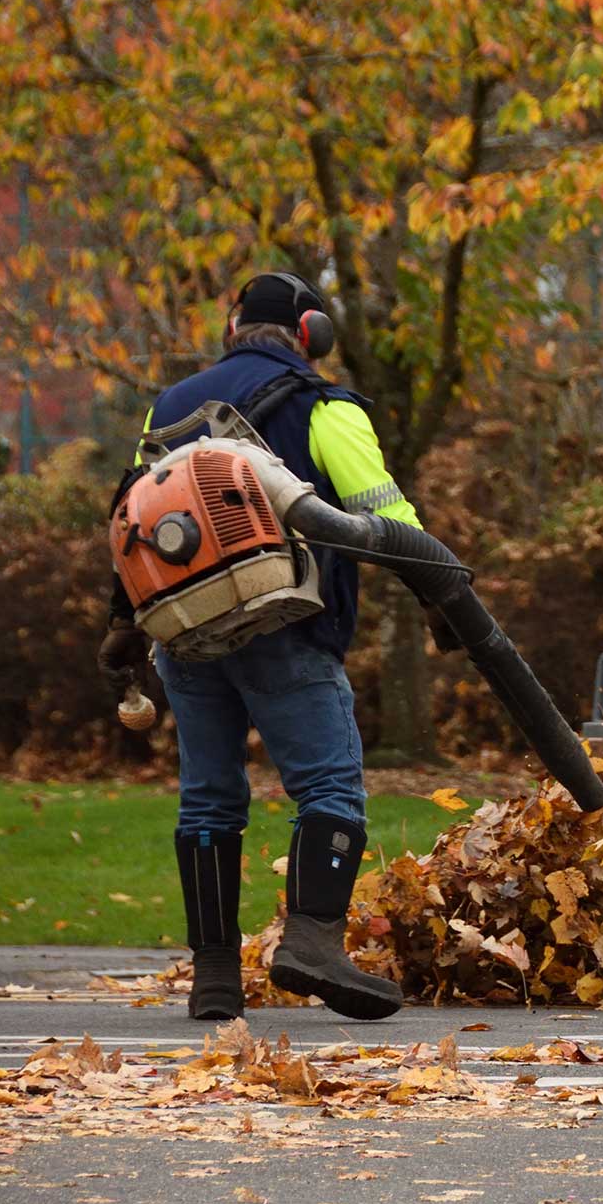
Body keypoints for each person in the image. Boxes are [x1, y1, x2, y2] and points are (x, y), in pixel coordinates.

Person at [97, 272, 454, 1022]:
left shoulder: (169, 407)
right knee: (328, 787)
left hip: (185, 634)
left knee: (208, 801)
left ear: (232, 328)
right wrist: (441, 592)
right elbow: (385, 514)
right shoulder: (324, 406)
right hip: (286, 627)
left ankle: (215, 977)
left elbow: (136, 516)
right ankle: (313, 945)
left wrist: (123, 622)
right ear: (310, 333)